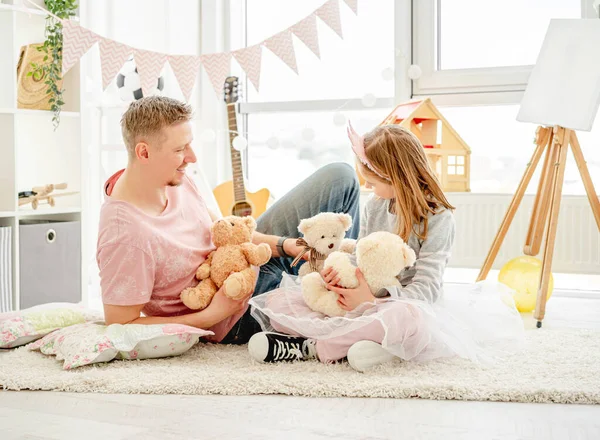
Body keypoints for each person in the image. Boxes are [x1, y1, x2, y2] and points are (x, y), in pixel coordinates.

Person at [247, 123, 525, 371]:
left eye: (373, 181)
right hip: (360, 302)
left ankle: (312, 347)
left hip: (400, 304)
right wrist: (339, 280)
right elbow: (359, 260)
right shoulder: (376, 205)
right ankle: (364, 344)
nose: (367, 186)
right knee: (279, 301)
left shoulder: (439, 218)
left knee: (406, 319)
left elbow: (426, 288)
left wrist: (372, 300)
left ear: (397, 179)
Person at [96, 96, 361, 344]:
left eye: (188, 144)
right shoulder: (125, 235)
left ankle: (351, 276)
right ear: (144, 153)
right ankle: (355, 292)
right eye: (180, 149)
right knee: (341, 319)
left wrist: (284, 245)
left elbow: (224, 232)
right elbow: (121, 324)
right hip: (235, 313)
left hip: (250, 259)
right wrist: (210, 316)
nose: (192, 157)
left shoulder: (172, 177)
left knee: (340, 177)